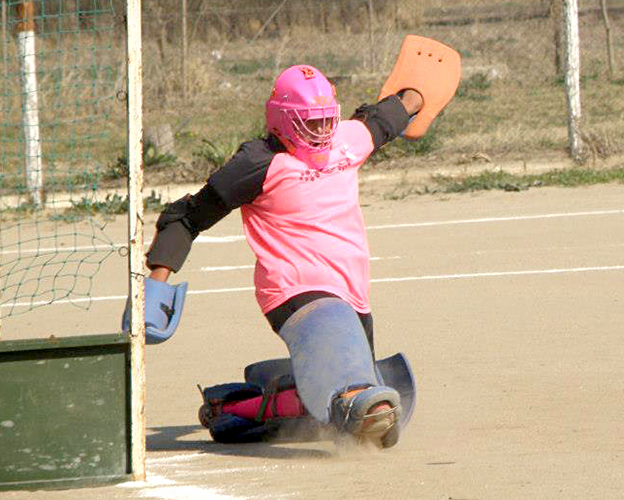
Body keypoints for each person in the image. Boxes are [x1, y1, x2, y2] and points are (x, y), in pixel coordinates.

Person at [138, 64, 424, 447]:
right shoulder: (257, 163)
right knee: (358, 400)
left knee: (326, 417)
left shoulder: (348, 140)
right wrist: (155, 291)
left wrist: (419, 94)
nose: (322, 132)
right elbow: (186, 218)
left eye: (326, 121)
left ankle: (234, 407)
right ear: (280, 121)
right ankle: (352, 393)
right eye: (310, 123)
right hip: (296, 292)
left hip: (352, 295)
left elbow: (391, 113)